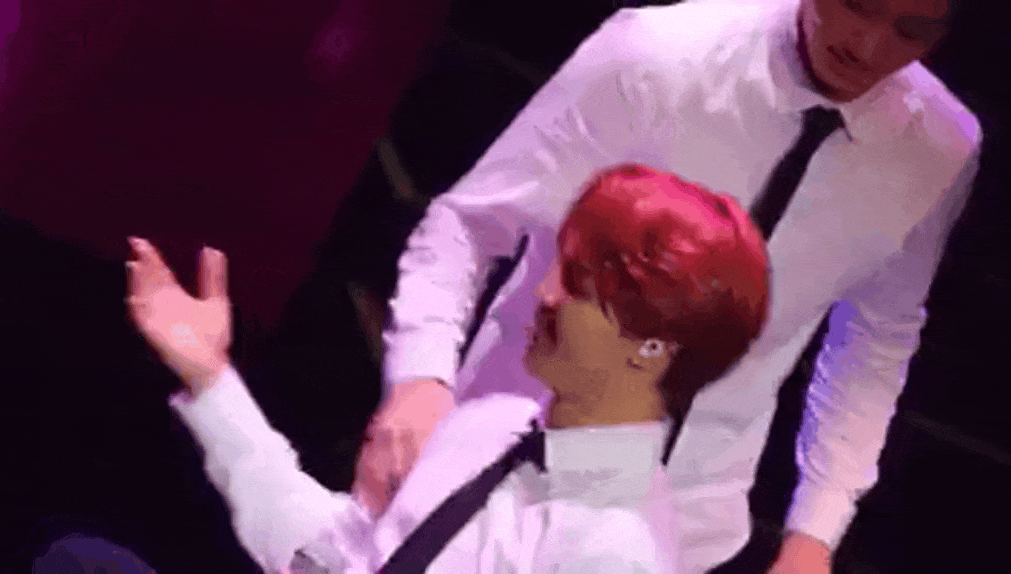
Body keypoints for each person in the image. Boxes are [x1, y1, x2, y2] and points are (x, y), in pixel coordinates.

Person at [354, 0, 982, 572]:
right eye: (857, 6)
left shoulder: (940, 148)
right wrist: (419, 380)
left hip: (692, 522)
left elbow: (877, 339)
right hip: (502, 470)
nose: (868, 45)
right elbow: (472, 223)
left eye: (911, 30)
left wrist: (814, 533)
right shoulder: (659, 54)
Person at [124, 163, 770, 573]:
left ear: (651, 346)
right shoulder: (492, 425)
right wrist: (211, 378)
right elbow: (331, 559)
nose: (546, 294)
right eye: (560, 265)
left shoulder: (614, 551)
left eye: (578, 284)